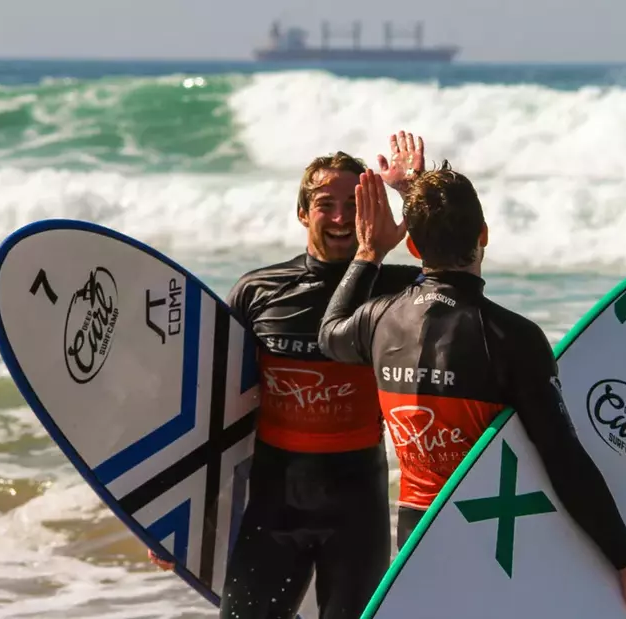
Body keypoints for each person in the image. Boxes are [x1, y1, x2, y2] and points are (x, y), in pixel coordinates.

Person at [315, 164, 626, 619]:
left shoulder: (378, 318)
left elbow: (329, 334)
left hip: (416, 539)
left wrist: (368, 252)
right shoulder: (511, 337)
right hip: (498, 543)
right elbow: (564, 460)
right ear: (483, 234)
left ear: (415, 245)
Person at [147, 132, 428, 619]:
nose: (341, 219)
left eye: (354, 205)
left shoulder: (397, 289)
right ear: (302, 212)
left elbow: (454, 266)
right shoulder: (258, 292)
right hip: (274, 504)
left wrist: (413, 191)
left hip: (357, 505)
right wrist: (173, 520)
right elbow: (211, 409)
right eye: (326, 204)